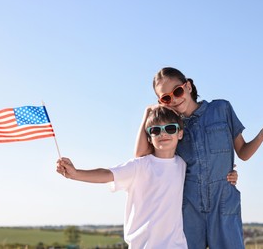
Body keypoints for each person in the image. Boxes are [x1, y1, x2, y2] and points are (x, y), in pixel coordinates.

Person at [134, 67, 263, 249]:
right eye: (166, 98)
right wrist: (147, 114)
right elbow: (141, 156)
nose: (175, 99)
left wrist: (262, 135)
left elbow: (243, 153)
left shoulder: (221, 109)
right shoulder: (170, 129)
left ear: (188, 87)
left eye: (177, 91)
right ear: (161, 103)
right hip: (187, 207)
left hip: (223, 204)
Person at [57, 106, 190, 248]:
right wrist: (76, 173)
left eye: (170, 128)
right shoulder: (139, 166)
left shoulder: (182, 164)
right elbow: (107, 174)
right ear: (149, 138)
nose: (163, 134)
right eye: (156, 130)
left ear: (180, 133)